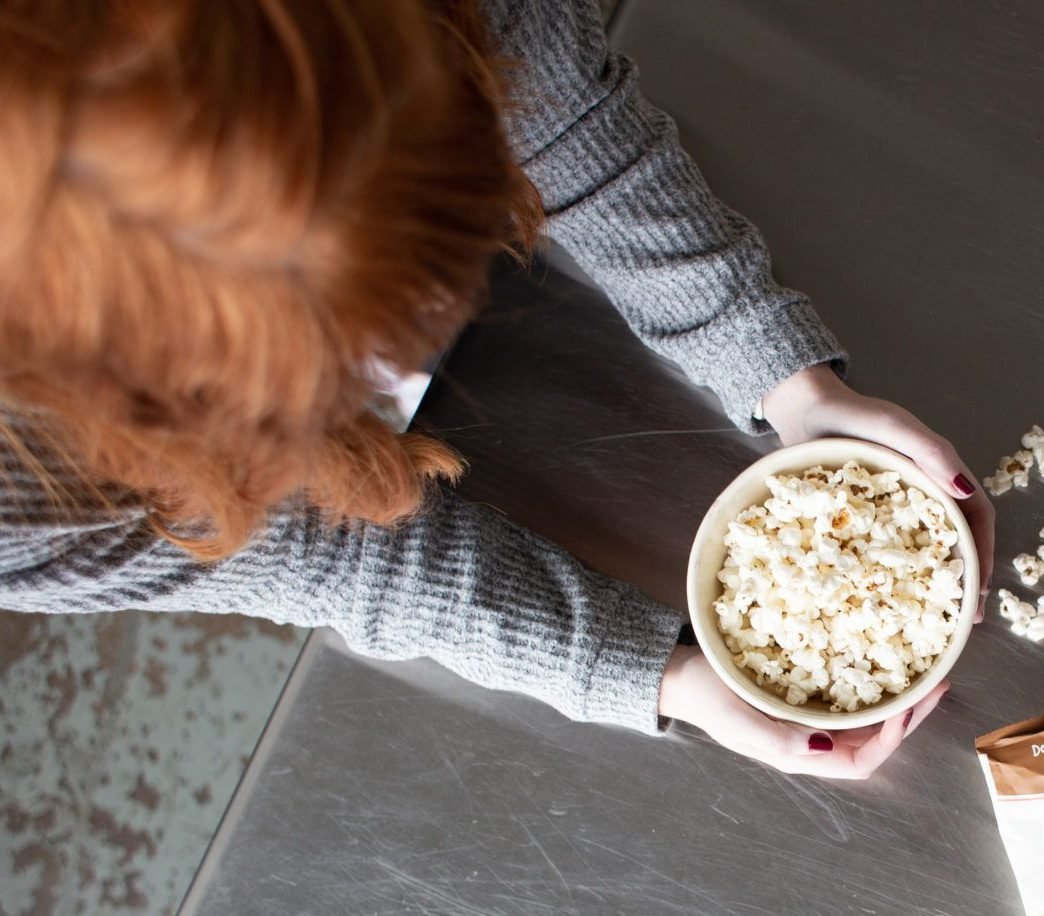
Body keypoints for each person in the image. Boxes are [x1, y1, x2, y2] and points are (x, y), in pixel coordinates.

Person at [0, 0, 993, 779]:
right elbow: (309, 553)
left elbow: (565, 123)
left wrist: (789, 381)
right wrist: (661, 674)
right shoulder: (20, 502)